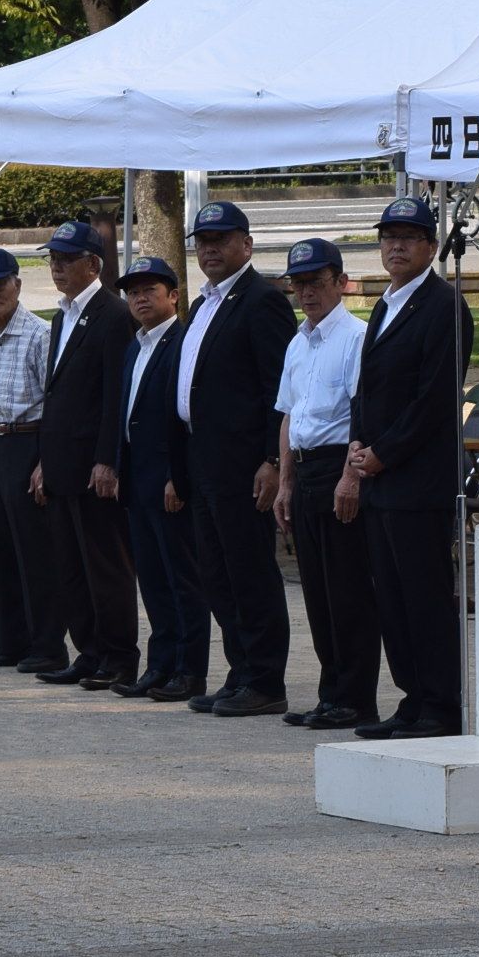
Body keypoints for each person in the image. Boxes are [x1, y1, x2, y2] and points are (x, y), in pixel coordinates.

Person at [344, 195, 470, 738]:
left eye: (408, 237)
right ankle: (411, 697)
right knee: (391, 597)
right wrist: (357, 448)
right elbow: (369, 387)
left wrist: (384, 453)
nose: (395, 246)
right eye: (388, 237)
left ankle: (440, 704)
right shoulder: (386, 303)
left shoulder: (444, 306)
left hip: (416, 479)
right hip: (378, 476)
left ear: (430, 246)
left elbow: (435, 399)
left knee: (424, 595)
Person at [170, 200, 299, 718]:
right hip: (204, 458)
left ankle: (266, 679)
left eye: (221, 240)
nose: (210, 249)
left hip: (245, 463)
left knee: (249, 571)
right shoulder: (204, 304)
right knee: (216, 573)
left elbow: (279, 388)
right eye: (202, 241)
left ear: (246, 244)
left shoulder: (262, 300)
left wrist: (272, 458)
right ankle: (241, 670)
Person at [272, 237, 377, 731]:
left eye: (316, 282)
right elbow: (290, 415)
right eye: (299, 284)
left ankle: (355, 697)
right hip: (306, 467)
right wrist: (286, 480)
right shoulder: (298, 341)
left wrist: (349, 478)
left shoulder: (356, 337)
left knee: (348, 591)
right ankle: (330, 691)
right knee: (316, 591)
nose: (307, 293)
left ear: (341, 281)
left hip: (340, 465)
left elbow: (361, 414)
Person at [33, 220, 137, 691]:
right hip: (59, 462)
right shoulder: (62, 316)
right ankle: (88, 650)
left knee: (105, 567)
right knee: (69, 567)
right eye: (52, 259)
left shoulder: (113, 315)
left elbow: (115, 395)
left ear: (93, 264)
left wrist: (107, 459)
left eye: (66, 259)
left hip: (91, 465)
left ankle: (118, 656)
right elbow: (55, 394)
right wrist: (42, 459)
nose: (56, 267)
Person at [109, 255, 209, 703]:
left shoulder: (182, 342)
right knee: (151, 578)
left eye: (150, 290)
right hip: (137, 478)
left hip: (169, 478)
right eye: (133, 291)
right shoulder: (136, 345)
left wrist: (177, 477)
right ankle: (161, 664)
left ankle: (190, 670)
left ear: (173, 295)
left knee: (182, 579)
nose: (140, 298)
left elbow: (183, 418)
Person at [0, 245, 56, 673]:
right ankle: (10, 640)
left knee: (34, 551)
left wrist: (43, 462)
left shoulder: (39, 335)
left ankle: (46, 644)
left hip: (30, 441)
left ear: (17, 285)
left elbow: (53, 406)